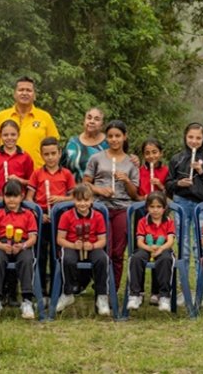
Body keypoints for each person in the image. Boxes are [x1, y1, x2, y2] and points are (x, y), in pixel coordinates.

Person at [83, 120, 139, 291]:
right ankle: (100, 286)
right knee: (102, 248)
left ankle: (112, 289)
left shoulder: (132, 162)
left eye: (118, 136)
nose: (114, 140)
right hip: (101, 208)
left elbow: (135, 194)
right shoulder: (96, 158)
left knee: (117, 251)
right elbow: (85, 183)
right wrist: (100, 190)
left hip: (122, 208)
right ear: (106, 138)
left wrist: (127, 180)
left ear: (124, 137)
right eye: (110, 136)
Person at [26, 137, 75, 297]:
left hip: (60, 218)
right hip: (42, 218)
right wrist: (38, 215)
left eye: (54, 153)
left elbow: (74, 198)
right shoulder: (37, 174)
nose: (50, 157)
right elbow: (28, 199)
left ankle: (58, 289)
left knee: (58, 254)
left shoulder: (66, 174)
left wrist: (61, 199)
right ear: (41, 155)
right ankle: (40, 291)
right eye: (46, 154)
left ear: (60, 153)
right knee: (40, 254)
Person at [165, 122, 203, 267]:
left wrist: (201, 171)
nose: (194, 141)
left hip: (202, 205)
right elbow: (168, 184)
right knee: (184, 245)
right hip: (181, 203)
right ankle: (185, 287)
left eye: (198, 138)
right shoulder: (177, 159)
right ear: (185, 137)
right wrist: (178, 184)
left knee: (200, 244)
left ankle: (201, 285)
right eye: (190, 137)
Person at [54, 184, 111, 316]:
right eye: (79, 200)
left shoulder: (97, 216)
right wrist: (73, 245)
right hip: (71, 245)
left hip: (91, 246)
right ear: (73, 200)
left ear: (91, 200)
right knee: (67, 259)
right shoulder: (66, 216)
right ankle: (68, 293)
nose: (82, 204)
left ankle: (102, 296)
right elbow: (60, 239)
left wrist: (92, 246)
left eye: (86, 200)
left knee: (102, 259)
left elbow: (102, 241)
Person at [0, 180, 39, 319]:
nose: (11, 200)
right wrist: (2, 246)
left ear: (21, 197)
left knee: (27, 260)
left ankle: (27, 300)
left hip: (22, 244)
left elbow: (33, 237)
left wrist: (23, 246)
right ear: (3, 196)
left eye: (15, 196)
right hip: (1, 244)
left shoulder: (28, 214)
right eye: (8, 196)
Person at [0, 76, 60, 169]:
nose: (24, 93)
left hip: (38, 176)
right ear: (14, 94)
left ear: (35, 95)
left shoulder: (45, 117)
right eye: (21, 90)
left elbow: (54, 148)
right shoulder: (1, 117)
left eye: (28, 90)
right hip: (6, 175)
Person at [126, 191, 176, 312]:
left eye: (159, 207)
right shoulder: (142, 221)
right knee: (136, 258)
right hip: (145, 248)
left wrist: (160, 249)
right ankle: (135, 295)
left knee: (166, 260)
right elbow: (139, 242)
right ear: (147, 208)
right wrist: (149, 248)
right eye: (152, 207)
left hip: (163, 248)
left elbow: (170, 241)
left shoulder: (169, 221)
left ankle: (164, 296)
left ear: (164, 208)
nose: (155, 210)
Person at [0, 120, 34, 199]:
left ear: (18, 135)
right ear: (0, 136)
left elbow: (32, 182)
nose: (9, 138)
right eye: (5, 135)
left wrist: (19, 180)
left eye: (13, 134)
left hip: (19, 199)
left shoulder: (26, 157)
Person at [61, 107, 108, 182]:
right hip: (74, 191)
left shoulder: (108, 144)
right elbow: (61, 169)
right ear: (84, 121)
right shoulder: (72, 143)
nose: (92, 121)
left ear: (102, 124)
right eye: (89, 118)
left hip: (102, 190)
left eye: (96, 119)